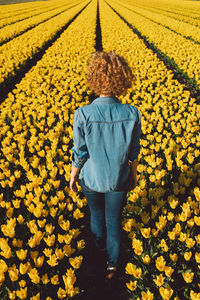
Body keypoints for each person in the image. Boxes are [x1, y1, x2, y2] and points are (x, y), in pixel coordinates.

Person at [70, 51, 141, 281]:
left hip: (91, 178)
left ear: (94, 79)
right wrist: (133, 174)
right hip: (118, 178)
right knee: (114, 221)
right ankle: (112, 265)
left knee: (96, 216)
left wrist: (74, 174)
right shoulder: (131, 113)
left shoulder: (83, 113)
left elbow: (80, 152)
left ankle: (99, 247)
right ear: (122, 79)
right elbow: (133, 152)